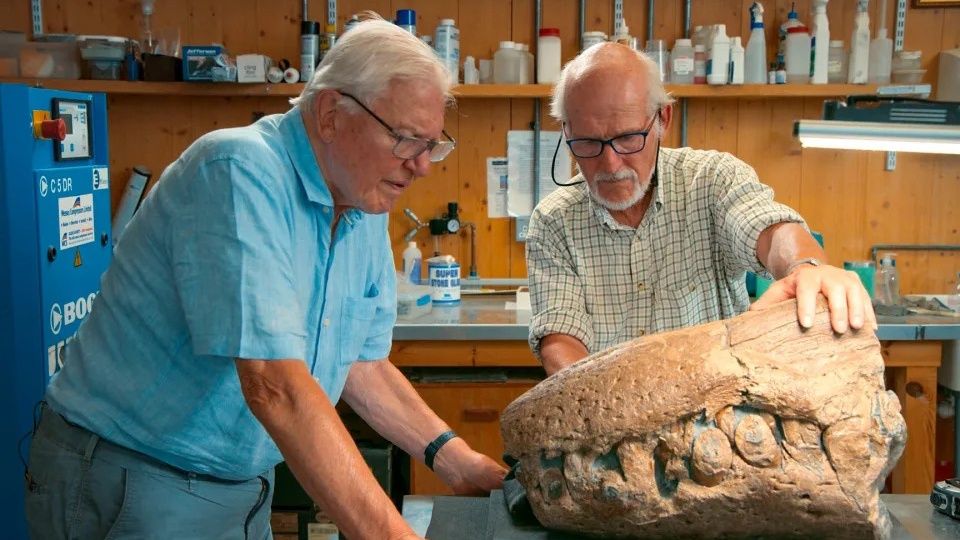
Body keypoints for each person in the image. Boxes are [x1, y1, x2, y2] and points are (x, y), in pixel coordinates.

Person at [25, 16, 505, 540]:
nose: (423, 167)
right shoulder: (238, 171)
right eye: (408, 139)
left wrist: (455, 459)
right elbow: (273, 384)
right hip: (134, 477)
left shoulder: (362, 199)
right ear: (330, 115)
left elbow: (359, 362)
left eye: (434, 145)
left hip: (243, 484)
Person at [527, 43, 876, 376]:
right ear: (566, 130)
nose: (610, 163)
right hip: (607, 419)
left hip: (720, 418)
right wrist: (599, 402)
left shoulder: (712, 181)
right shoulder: (553, 221)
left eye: (628, 138)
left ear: (663, 118)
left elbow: (769, 229)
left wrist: (805, 266)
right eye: (587, 142)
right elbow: (561, 335)